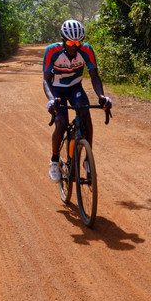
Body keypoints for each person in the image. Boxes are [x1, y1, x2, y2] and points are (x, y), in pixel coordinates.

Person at [43, 18, 112, 182]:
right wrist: (52, 100)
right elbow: (46, 80)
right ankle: (54, 160)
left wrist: (102, 96)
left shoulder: (86, 50)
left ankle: (88, 160)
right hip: (57, 89)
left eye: (78, 43)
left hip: (75, 87)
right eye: (70, 43)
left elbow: (95, 76)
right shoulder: (52, 51)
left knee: (85, 113)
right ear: (63, 40)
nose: (74, 47)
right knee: (61, 123)